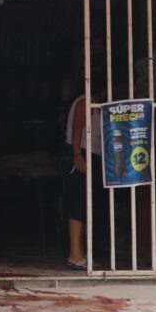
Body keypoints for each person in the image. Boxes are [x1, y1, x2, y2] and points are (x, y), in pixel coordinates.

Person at [64, 93, 103, 270]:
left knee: (85, 205)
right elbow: (76, 129)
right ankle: (75, 255)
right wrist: (77, 156)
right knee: (78, 204)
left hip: (91, 155)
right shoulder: (84, 102)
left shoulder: (96, 104)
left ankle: (81, 254)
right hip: (82, 155)